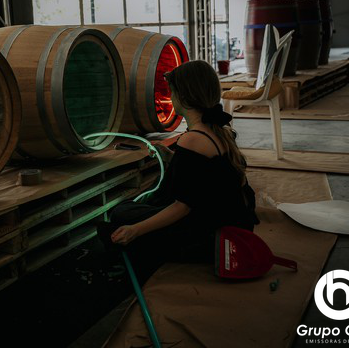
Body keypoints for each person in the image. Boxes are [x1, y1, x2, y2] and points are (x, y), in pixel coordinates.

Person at [97, 60, 259, 282]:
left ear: (183, 97)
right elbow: (204, 175)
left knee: (122, 214)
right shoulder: (218, 131)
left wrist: (136, 230)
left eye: (172, 92)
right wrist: (172, 158)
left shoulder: (193, 139)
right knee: (131, 211)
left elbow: (182, 207)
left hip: (211, 235)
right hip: (232, 223)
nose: (170, 97)